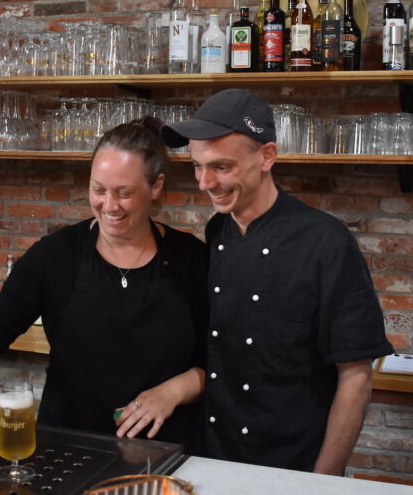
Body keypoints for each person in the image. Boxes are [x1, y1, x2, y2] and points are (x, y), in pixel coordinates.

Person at [161, 89, 393, 475]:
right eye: (196, 166)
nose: (204, 183)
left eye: (221, 167)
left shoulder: (326, 242)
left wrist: (322, 484)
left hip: (293, 466)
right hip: (217, 456)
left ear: (267, 156)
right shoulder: (219, 229)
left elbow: (356, 378)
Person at [0, 116, 208, 451]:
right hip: (68, 444)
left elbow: (219, 360)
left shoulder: (193, 260)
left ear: (156, 187)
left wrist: (172, 392)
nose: (109, 205)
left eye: (124, 193)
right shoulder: (56, 255)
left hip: (168, 450)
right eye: (98, 190)